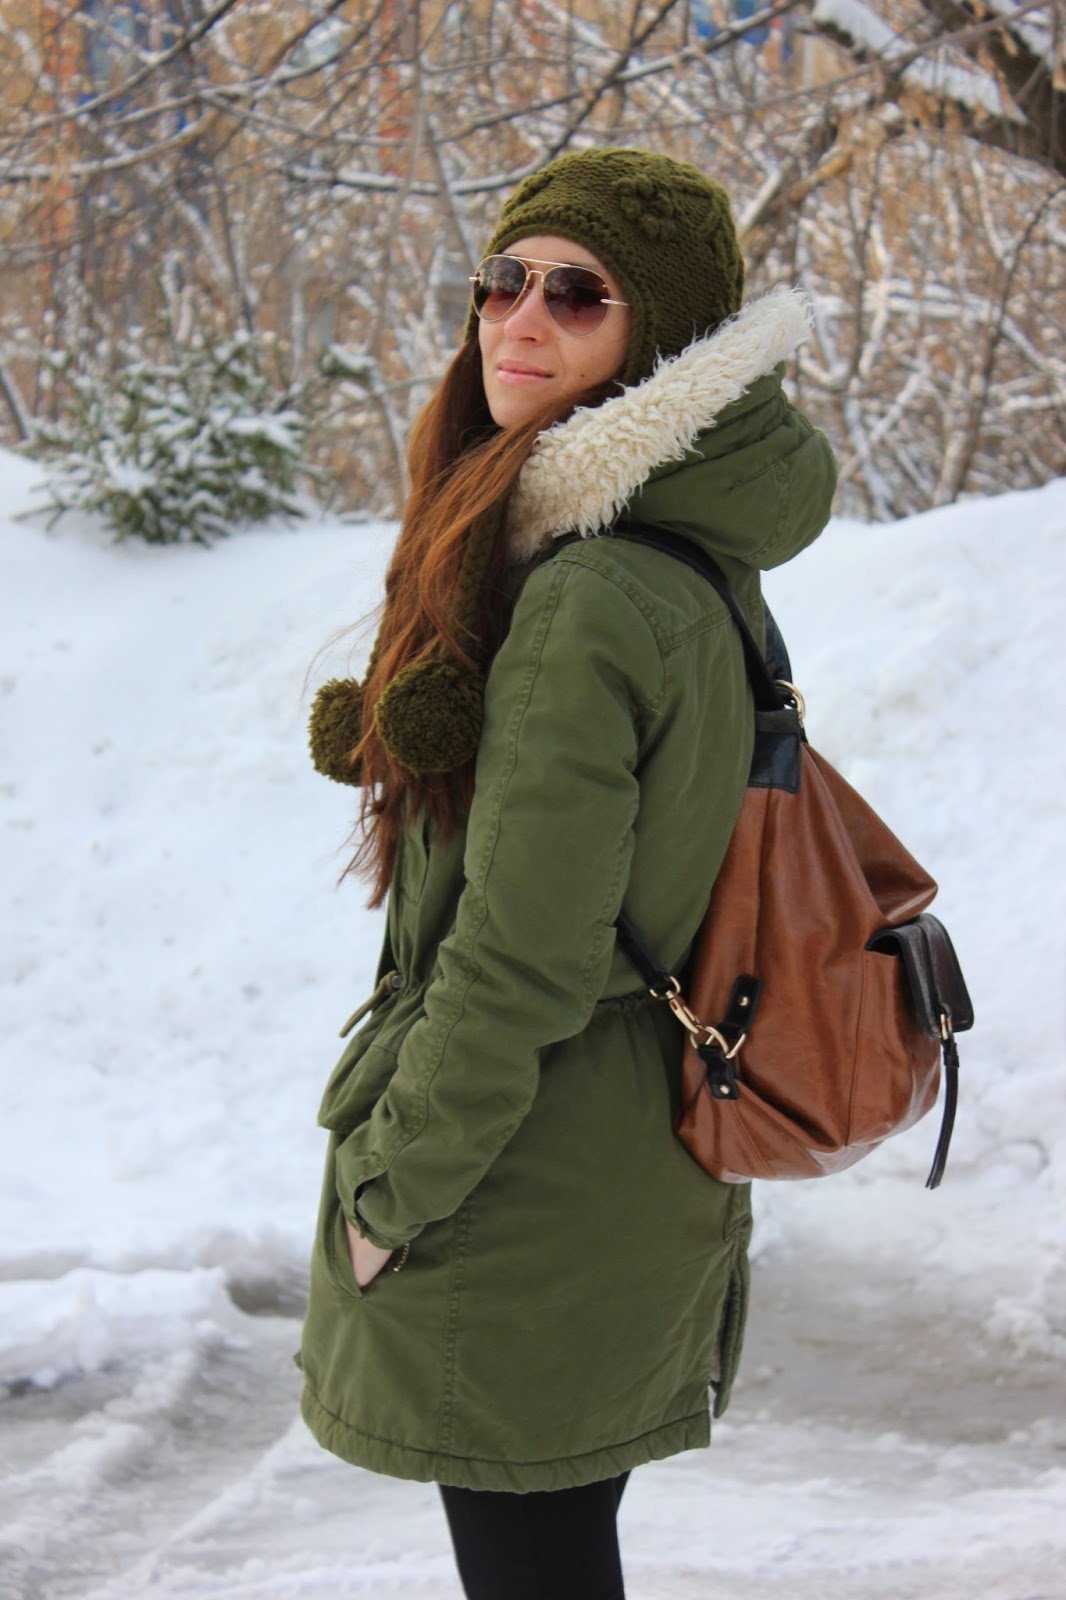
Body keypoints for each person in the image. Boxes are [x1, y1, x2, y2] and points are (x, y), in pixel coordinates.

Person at [297, 146, 837, 1599]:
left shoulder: (589, 592)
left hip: (524, 1183)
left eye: (578, 294)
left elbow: (523, 957)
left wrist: (390, 1192)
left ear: (656, 337)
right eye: (504, 281)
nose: (519, 320)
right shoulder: (675, 551)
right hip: (624, 1158)